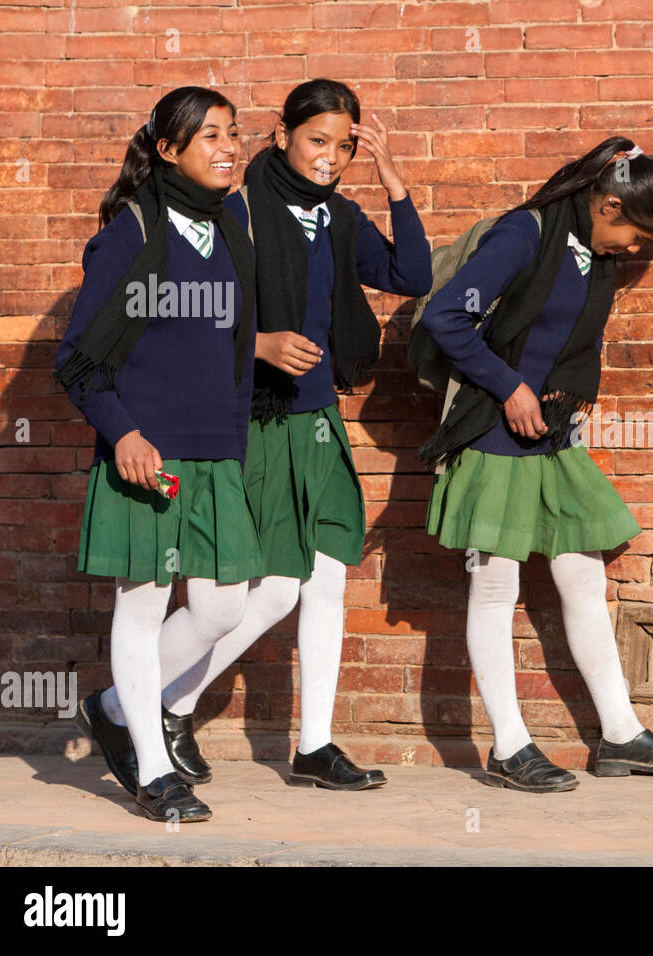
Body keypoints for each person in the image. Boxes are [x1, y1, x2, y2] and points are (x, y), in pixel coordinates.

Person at [94, 78, 433, 791]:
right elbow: (191, 322)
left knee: (324, 579)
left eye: (344, 146)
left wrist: (392, 179)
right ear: (280, 134)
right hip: (254, 415)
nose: (331, 157)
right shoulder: (237, 211)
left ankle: (312, 742)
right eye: (318, 141)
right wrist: (261, 344)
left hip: (316, 415)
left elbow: (412, 273)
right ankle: (152, 706)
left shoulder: (337, 216)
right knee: (268, 592)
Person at [418, 136, 653, 792]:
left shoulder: (590, 247)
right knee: (494, 588)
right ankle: (509, 745)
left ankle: (621, 736)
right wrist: (509, 386)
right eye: (634, 234)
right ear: (607, 205)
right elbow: (446, 316)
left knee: (580, 578)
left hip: (550, 437)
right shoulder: (526, 235)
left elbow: (574, 341)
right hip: (493, 433)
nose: (636, 251)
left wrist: (556, 397)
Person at [61, 87, 260, 822]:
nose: (229, 146)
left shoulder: (231, 228)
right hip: (144, 452)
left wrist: (232, 447)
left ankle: (113, 708)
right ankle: (152, 772)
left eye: (233, 133)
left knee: (221, 608)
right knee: (142, 609)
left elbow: (234, 356)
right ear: (168, 150)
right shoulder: (131, 234)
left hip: (214, 454)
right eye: (210, 135)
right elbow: (78, 360)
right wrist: (124, 434)